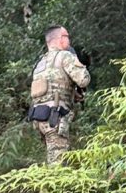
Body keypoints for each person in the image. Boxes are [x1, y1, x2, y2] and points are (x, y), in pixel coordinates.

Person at [29, 25, 91, 164]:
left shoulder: (40, 62)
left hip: (40, 118)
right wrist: (80, 64)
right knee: (58, 165)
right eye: (67, 36)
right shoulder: (65, 56)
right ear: (61, 39)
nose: (69, 40)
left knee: (54, 157)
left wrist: (72, 94)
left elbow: (50, 88)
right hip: (55, 118)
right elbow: (83, 80)